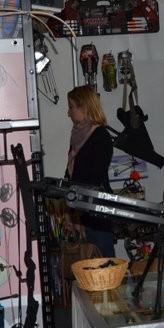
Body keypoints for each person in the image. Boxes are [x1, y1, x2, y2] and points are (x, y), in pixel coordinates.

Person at [65, 85, 116, 257]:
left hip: (97, 213)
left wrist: (77, 212)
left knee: (104, 263)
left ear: (84, 107)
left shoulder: (101, 136)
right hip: (82, 210)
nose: (68, 112)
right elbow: (71, 176)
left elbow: (94, 179)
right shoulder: (77, 137)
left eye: (71, 107)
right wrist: (70, 211)